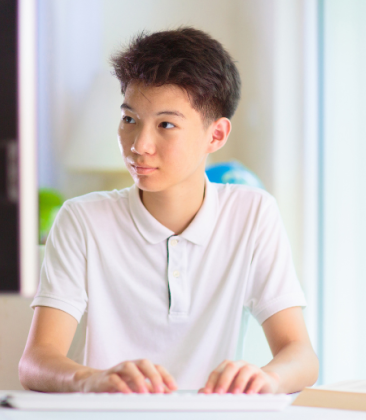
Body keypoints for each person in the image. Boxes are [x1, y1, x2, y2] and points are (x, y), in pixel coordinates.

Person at [19, 27, 319, 394]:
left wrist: (267, 378)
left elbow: (300, 355)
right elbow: (36, 362)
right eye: (130, 119)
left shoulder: (252, 213)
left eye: (166, 125)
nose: (139, 145)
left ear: (217, 135)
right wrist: (92, 379)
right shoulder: (82, 219)